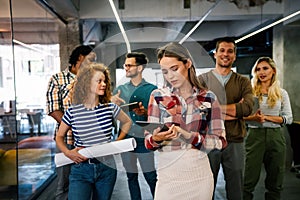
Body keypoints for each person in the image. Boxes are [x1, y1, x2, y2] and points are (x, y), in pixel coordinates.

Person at [144, 42, 227, 199]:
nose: (170, 76)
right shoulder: (157, 96)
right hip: (167, 176)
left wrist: (189, 136)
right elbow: (148, 142)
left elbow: (221, 141)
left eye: (175, 69)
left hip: (199, 176)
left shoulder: (208, 98)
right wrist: (156, 138)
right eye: (165, 72)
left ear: (188, 63)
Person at [55, 62, 132, 200]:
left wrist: (117, 142)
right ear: (87, 84)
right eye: (99, 81)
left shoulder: (110, 108)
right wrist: (67, 152)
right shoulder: (73, 111)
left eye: (104, 81)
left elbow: (127, 122)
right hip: (81, 169)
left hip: (107, 168)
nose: (103, 84)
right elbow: (59, 136)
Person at [198, 37, 253, 200]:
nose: (226, 54)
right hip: (209, 140)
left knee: (236, 189)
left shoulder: (243, 81)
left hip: (234, 141)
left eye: (230, 51)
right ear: (215, 54)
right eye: (222, 50)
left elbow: (247, 108)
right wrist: (234, 110)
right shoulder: (202, 80)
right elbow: (198, 110)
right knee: (206, 188)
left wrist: (213, 108)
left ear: (235, 55)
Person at [46, 45, 94, 200]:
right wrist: (74, 126)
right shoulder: (57, 79)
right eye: (91, 60)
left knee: (88, 180)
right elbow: (54, 109)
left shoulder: (93, 80)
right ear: (79, 58)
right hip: (66, 140)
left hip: (89, 140)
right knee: (64, 182)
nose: (93, 64)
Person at [243, 57, 293, 200]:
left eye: (265, 68)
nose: (261, 72)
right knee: (249, 179)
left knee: (276, 179)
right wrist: (254, 118)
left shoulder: (281, 93)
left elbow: (288, 118)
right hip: (254, 135)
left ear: (273, 71)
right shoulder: (250, 93)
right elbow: (241, 116)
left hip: (276, 136)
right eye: (258, 69)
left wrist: (266, 118)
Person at [111, 52, 158, 200]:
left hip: (144, 139)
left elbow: (158, 118)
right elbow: (109, 114)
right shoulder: (120, 90)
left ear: (140, 68)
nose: (126, 68)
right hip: (125, 138)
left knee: (150, 176)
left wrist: (145, 113)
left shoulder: (152, 89)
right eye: (125, 65)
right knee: (131, 177)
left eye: (129, 65)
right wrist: (112, 104)